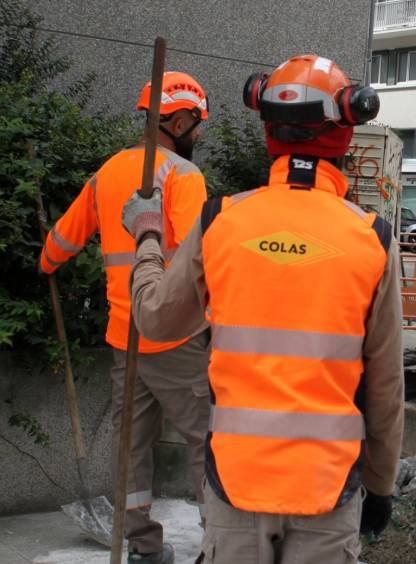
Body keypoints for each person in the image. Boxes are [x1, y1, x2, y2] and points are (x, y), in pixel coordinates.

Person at [121, 54, 403, 563]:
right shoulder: (373, 239)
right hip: (328, 485)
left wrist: (147, 235)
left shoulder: (222, 222)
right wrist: (380, 486)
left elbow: (156, 319)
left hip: (235, 483)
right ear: (345, 127)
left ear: (268, 125)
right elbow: (385, 388)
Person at [39, 71, 211, 564]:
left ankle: (142, 547)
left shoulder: (108, 172)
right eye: (195, 125)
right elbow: (202, 258)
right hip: (176, 337)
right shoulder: (183, 175)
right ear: (177, 120)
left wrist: (46, 259)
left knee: (131, 447)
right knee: (206, 441)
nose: (198, 135)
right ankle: (218, 543)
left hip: (125, 337)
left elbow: (63, 240)